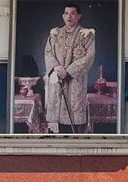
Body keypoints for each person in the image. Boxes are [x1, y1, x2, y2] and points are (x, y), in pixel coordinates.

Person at [43, 3, 95, 133]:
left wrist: (69, 71)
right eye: (66, 13)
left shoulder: (86, 35)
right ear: (62, 16)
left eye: (72, 13)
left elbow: (89, 57)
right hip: (58, 78)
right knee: (57, 118)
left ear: (79, 16)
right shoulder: (55, 34)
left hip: (75, 81)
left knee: (74, 119)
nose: (69, 16)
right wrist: (55, 67)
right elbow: (48, 52)